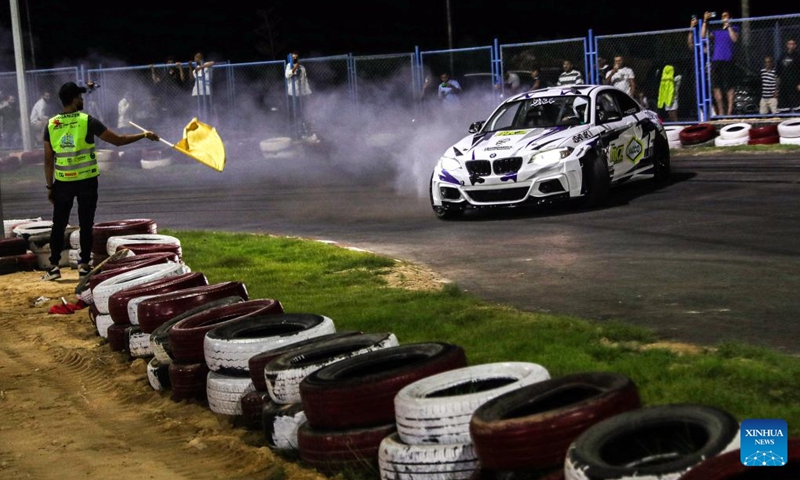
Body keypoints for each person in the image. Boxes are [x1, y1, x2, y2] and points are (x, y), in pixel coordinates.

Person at [41, 82, 159, 281]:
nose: (82, 100)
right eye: (80, 97)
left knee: (58, 224)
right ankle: (84, 266)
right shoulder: (87, 121)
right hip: (86, 181)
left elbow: (48, 159)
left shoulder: (52, 124)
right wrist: (144, 135)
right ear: (74, 99)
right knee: (86, 224)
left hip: (63, 182)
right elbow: (118, 140)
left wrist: (50, 186)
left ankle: (53, 267)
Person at [702, 10, 739, 116]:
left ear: (730, 18)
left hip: (727, 60)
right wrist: (705, 21)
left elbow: (734, 39)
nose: (724, 18)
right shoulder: (717, 30)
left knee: (729, 87)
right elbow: (703, 36)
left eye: (726, 16)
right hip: (716, 60)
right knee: (716, 86)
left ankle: (729, 112)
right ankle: (721, 112)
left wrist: (729, 26)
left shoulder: (734, 28)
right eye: (722, 16)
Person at [284, 51, 314, 139]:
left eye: (296, 57)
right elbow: (287, 75)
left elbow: (305, 80)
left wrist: (308, 92)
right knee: (294, 113)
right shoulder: (289, 66)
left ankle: (304, 131)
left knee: (304, 112)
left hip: (302, 94)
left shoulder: (302, 67)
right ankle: (295, 131)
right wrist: (294, 69)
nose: (295, 59)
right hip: (293, 94)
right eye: (293, 57)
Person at [777, 39, 800, 112]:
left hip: (794, 82)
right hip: (784, 82)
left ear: (795, 46)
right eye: (789, 44)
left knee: (795, 100)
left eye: (793, 44)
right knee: (783, 100)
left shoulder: (797, 56)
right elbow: (778, 70)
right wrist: (777, 84)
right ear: (787, 45)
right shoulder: (782, 56)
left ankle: (796, 114)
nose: (791, 46)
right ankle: (784, 113)